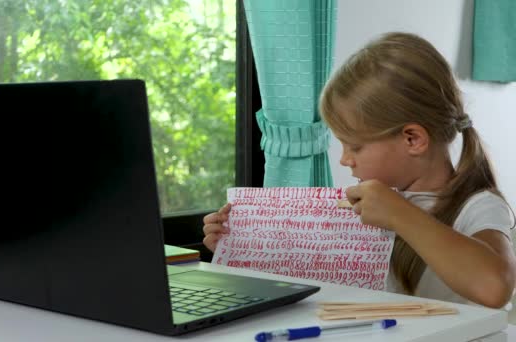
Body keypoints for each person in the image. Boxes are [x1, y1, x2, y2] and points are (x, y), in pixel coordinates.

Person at [203, 32, 516, 309]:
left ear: (413, 139)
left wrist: (400, 214)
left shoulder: (479, 206)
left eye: (355, 146)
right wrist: (242, 244)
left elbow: (495, 288)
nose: (344, 160)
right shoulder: (373, 206)